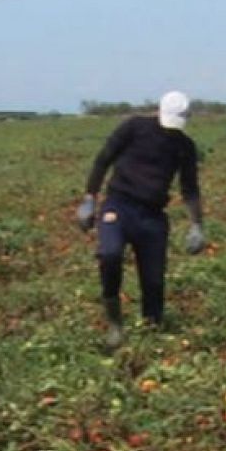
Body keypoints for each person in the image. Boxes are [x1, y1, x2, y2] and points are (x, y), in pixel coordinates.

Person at [76, 90, 204, 348]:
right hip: (119, 206)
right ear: (158, 111)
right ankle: (114, 324)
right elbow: (103, 161)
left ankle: (151, 334)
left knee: (154, 280)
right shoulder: (134, 128)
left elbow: (189, 188)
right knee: (110, 255)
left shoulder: (184, 146)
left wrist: (197, 224)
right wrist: (90, 199)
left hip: (152, 216)